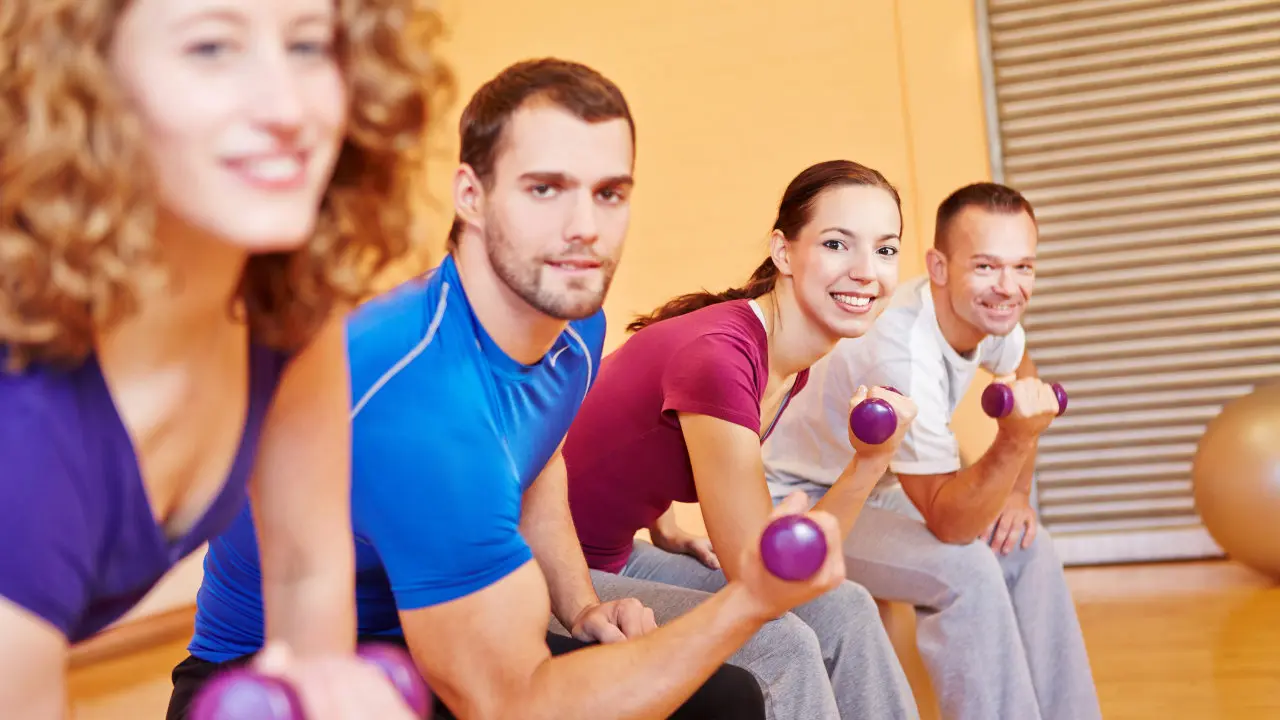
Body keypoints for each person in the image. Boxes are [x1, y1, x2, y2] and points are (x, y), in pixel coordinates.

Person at [166, 58, 850, 720]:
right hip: (278, 684)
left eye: (608, 192)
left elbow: (539, 457)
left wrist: (582, 606)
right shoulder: (422, 401)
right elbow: (507, 704)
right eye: (545, 188)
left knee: (724, 701)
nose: (584, 225)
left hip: (419, 643)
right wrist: (748, 601)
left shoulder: (573, 323)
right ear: (471, 194)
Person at [0, 0, 449, 716]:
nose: (287, 108)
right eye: (211, 47)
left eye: (308, 45)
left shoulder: (281, 306)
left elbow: (307, 573)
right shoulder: (23, 425)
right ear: (89, 83)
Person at [563, 160, 922, 720]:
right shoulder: (724, 355)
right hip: (544, 576)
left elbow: (625, 428)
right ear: (783, 252)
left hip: (611, 554)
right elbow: (759, 575)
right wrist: (870, 463)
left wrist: (660, 522)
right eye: (836, 244)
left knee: (845, 606)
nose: (865, 272)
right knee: (784, 645)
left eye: (885, 250)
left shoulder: (785, 359)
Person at [762, 182, 1103, 720]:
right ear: (939, 268)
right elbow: (950, 524)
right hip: (800, 500)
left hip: (876, 483)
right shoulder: (904, 351)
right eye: (987, 266)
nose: (1008, 287)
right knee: (964, 567)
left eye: (1024, 267)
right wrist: (1016, 438)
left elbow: (1024, 369)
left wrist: (1016, 494)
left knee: (1024, 544)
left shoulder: (987, 317)